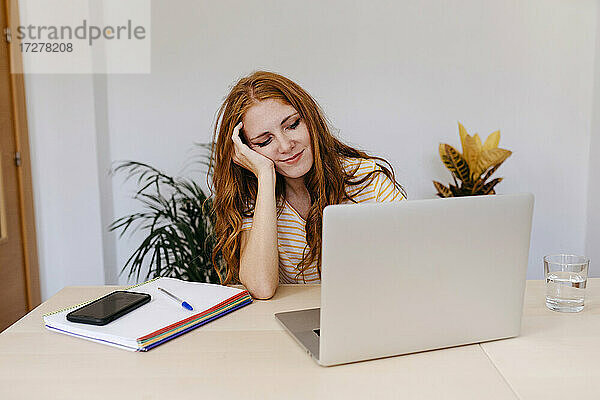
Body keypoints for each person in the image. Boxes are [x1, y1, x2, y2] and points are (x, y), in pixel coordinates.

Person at [209, 71, 405, 299]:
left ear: (309, 119)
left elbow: (412, 267)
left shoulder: (367, 180)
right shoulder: (257, 195)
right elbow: (261, 287)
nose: (285, 145)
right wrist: (264, 175)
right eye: (265, 141)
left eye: (292, 125)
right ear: (247, 150)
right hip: (294, 324)